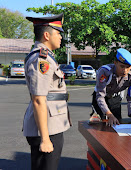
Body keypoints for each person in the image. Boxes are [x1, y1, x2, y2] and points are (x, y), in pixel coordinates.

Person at [23, 13, 72, 170]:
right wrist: (45, 138)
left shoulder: (48, 57)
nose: (60, 37)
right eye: (58, 33)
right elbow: (38, 99)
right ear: (46, 35)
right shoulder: (41, 59)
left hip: (51, 124)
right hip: (47, 128)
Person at [91, 48, 131, 126]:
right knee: (100, 125)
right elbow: (100, 97)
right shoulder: (105, 72)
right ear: (115, 63)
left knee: (117, 123)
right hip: (101, 99)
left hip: (116, 98)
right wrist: (109, 115)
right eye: (122, 66)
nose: (125, 70)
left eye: (128, 67)